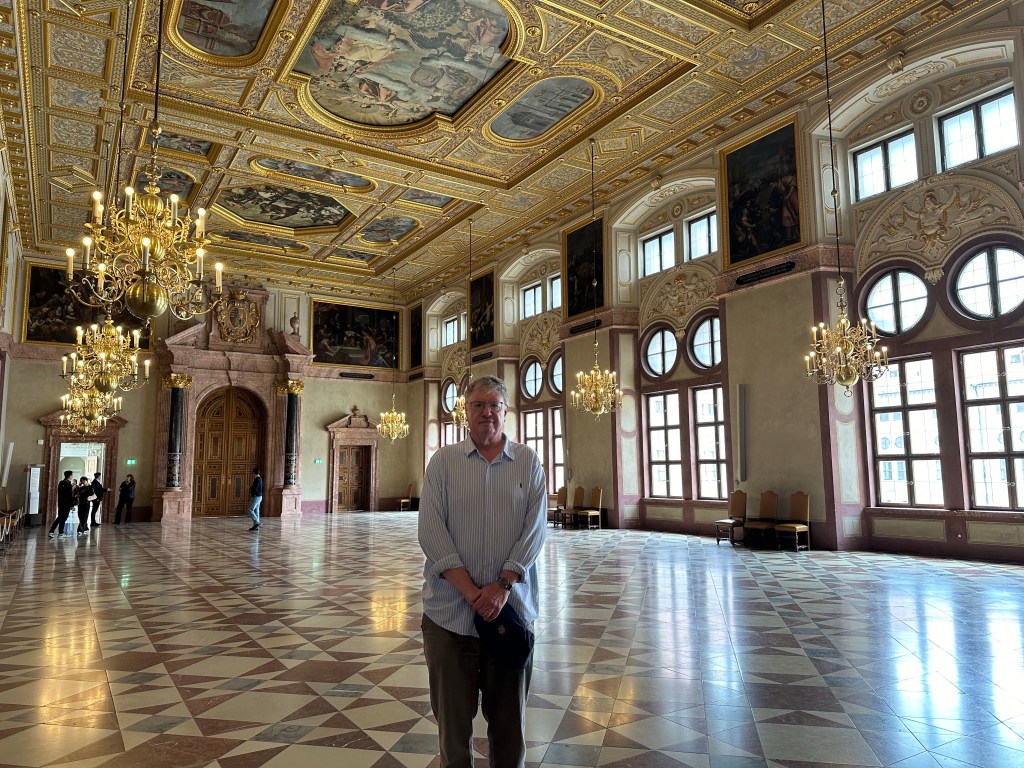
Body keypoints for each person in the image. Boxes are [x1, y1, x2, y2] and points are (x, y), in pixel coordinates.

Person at [417, 375, 547, 767]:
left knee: (509, 730)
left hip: (512, 613)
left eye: (494, 405)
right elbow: (431, 531)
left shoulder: (528, 461)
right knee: (452, 730)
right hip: (449, 619)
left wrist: (503, 585)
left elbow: (535, 530)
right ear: (465, 411)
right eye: (478, 404)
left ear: (506, 411)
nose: (486, 412)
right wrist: (473, 593)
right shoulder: (443, 462)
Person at [48, 470, 76, 539]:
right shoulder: (67, 484)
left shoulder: (62, 483)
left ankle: (60, 532)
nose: (72, 476)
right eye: (72, 475)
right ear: (70, 476)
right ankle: (52, 531)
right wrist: (72, 505)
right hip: (65, 504)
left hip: (61, 503)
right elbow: (69, 496)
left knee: (62, 518)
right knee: (61, 518)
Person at [248, 467, 262, 531]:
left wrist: (251, 490)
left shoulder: (257, 479)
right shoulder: (260, 479)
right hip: (259, 496)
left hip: (256, 497)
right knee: (256, 511)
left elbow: (255, 489)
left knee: (250, 510)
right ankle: (256, 526)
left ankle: (257, 522)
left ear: (254, 473)